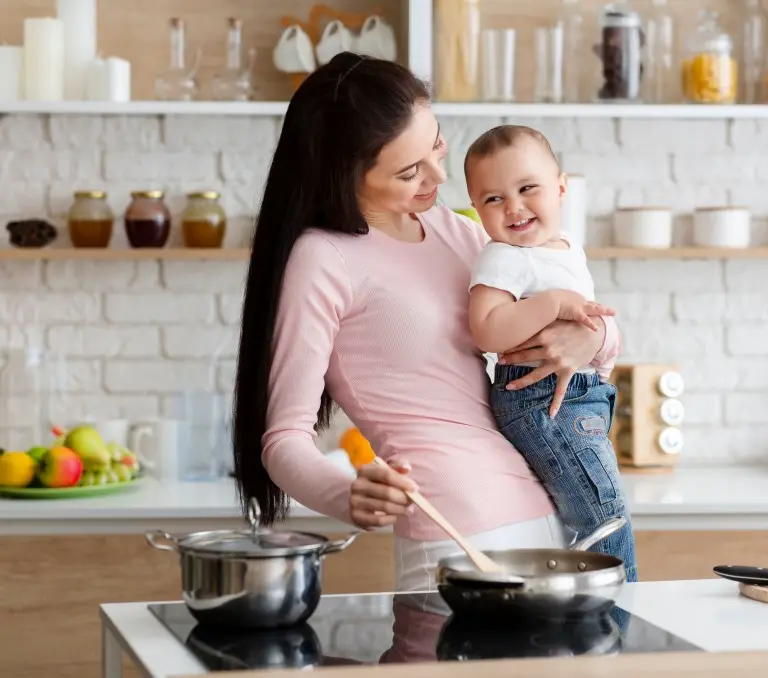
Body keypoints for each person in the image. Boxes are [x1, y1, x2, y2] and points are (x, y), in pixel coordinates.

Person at [230, 52, 624, 593]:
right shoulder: (324, 258)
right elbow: (283, 439)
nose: (438, 177)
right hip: (456, 531)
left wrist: (596, 336)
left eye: (436, 144)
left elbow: (564, 319)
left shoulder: (454, 232)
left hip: (552, 509)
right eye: (409, 171)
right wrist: (344, 493)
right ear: (345, 174)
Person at [463, 125, 638, 582]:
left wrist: (596, 340)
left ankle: (598, 619)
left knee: (596, 512)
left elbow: (591, 329)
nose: (514, 207)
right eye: (493, 199)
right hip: (541, 400)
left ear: (560, 188)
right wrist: (553, 303)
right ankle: (617, 618)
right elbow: (485, 329)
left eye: (526, 189)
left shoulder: (564, 248)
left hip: (580, 396)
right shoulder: (503, 256)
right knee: (603, 515)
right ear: (476, 207)